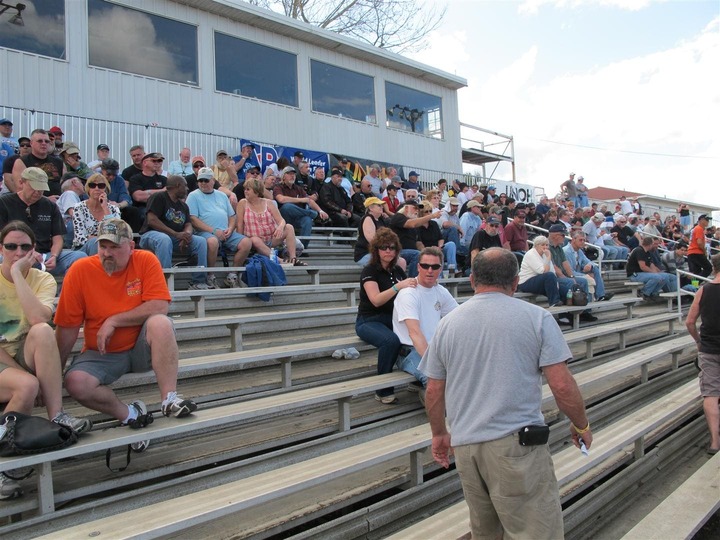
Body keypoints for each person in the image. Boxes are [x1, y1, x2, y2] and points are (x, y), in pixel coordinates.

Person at [420, 247, 593, 539]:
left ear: (472, 279)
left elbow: (434, 389)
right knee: (535, 532)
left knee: (486, 533)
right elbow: (562, 385)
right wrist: (581, 424)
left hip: (467, 447)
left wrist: (439, 434)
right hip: (516, 446)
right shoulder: (536, 318)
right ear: (515, 282)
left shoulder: (447, 324)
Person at [55, 219, 198, 453]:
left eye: (114, 247)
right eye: (103, 247)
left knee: (161, 323)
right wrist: (54, 372)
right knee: (76, 383)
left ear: (131, 247)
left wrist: (114, 320)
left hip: (141, 347)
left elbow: (160, 306)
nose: (107, 253)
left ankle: (169, 399)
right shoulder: (80, 271)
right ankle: (131, 414)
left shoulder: (145, 260)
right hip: (102, 352)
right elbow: (67, 328)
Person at [0, 221, 93, 498]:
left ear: (34, 250)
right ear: (1, 248)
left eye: (25, 247)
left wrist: (18, 275)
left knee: (42, 330)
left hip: (26, 351)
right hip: (4, 358)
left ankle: (57, 415)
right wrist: (29, 378)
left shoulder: (43, 279)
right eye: (11, 247)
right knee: (26, 386)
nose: (18, 252)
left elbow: (39, 319)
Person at [355, 229, 416, 405]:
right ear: (376, 250)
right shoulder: (370, 270)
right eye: (383, 247)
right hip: (368, 320)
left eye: (392, 247)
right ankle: (383, 390)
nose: (388, 251)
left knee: (416, 332)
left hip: (391, 318)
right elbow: (376, 300)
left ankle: (415, 378)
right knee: (391, 341)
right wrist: (398, 287)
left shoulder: (397, 270)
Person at [392, 247, 458, 401]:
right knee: (436, 379)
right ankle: (435, 408)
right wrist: (433, 361)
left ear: (441, 269)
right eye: (425, 266)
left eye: (435, 267)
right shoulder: (408, 293)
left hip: (434, 348)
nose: (430, 270)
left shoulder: (440, 290)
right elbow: (414, 333)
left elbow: (459, 318)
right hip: (410, 351)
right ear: (418, 267)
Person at [0, 167, 86, 276]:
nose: (38, 192)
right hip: (14, 253)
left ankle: (66, 291)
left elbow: (57, 237)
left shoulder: (50, 206)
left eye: (41, 189)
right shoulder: (4, 202)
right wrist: (26, 252)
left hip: (45, 256)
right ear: (22, 183)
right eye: (34, 188)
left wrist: (54, 256)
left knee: (79, 257)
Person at [138, 175, 211, 289]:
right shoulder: (159, 197)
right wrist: (176, 234)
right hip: (150, 235)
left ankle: (199, 282)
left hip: (174, 237)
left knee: (201, 241)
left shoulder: (183, 206)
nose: (187, 189)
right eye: (185, 186)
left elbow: (188, 224)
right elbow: (152, 220)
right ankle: (163, 282)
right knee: (164, 239)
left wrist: (186, 235)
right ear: (178, 186)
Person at [186, 167, 252, 289]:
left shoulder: (222, 195)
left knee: (247, 242)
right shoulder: (193, 195)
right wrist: (214, 231)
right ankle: (210, 276)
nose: (203, 183)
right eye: (200, 181)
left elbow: (232, 216)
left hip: (226, 232)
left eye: (206, 180)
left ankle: (232, 275)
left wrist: (231, 229)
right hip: (204, 232)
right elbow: (193, 219)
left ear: (213, 180)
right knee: (212, 241)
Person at [686, 253, 720, 454]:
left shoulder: (703, 290)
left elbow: (690, 322)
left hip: (709, 348)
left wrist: (698, 341)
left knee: (711, 393)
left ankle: (715, 442)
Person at [237, 176, 303, 265]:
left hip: (271, 238)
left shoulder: (268, 202)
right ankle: (279, 260)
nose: (245, 191)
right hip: (254, 241)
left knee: (289, 227)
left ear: (256, 191)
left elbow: (281, 220)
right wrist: (240, 242)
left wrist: (280, 227)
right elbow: (240, 224)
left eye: (248, 189)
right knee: (255, 240)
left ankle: (293, 258)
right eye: (245, 189)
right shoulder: (242, 203)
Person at [273, 166, 328, 248]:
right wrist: (300, 200)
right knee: (287, 206)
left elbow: (309, 200)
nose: (292, 176)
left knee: (307, 220)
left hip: (297, 217)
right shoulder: (278, 187)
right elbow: (281, 199)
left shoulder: (298, 188)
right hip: (283, 218)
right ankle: (312, 214)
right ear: (283, 176)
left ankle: (302, 247)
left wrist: (320, 211)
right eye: (289, 174)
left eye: (294, 174)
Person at [71, 173, 122, 255]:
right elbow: (80, 237)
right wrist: (101, 239)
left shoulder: (113, 209)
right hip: (82, 248)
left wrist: (105, 208)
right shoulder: (79, 207)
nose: (97, 188)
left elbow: (115, 234)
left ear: (106, 189)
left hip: (108, 247)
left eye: (101, 186)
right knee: (94, 243)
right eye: (92, 185)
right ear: (88, 189)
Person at [389, 201, 441, 278]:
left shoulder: (415, 224)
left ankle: (436, 281)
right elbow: (411, 224)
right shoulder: (398, 217)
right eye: (415, 208)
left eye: (418, 209)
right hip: (399, 251)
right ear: (406, 208)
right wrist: (432, 216)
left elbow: (418, 242)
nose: (417, 210)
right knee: (416, 254)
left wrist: (427, 251)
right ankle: (413, 281)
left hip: (412, 252)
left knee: (434, 255)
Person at [11, 129, 65, 201]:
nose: (44, 143)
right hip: (34, 202)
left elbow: (65, 186)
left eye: (47, 141)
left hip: (59, 202)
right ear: (31, 143)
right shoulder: (21, 162)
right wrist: (46, 200)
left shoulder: (59, 162)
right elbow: (20, 189)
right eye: (40, 141)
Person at [564, 230, 614, 302]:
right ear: (573, 239)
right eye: (580, 240)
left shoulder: (579, 251)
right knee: (586, 279)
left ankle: (600, 295)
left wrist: (590, 265)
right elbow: (569, 272)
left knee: (595, 269)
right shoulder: (566, 251)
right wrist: (586, 275)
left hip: (578, 272)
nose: (583, 242)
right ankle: (590, 303)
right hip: (569, 275)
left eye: (584, 240)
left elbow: (589, 262)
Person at [517, 235, 564, 307]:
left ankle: (566, 313)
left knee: (564, 289)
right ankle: (554, 302)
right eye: (542, 245)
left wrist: (556, 285)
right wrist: (548, 258)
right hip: (526, 282)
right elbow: (543, 271)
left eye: (547, 245)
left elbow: (552, 271)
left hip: (539, 280)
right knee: (549, 276)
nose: (545, 247)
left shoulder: (545, 254)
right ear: (536, 246)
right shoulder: (531, 254)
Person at [100, 158, 143, 233]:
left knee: (134, 211)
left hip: (116, 209)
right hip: (99, 208)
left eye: (114, 175)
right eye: (108, 174)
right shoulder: (95, 180)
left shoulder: (119, 180)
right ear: (102, 170)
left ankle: (133, 239)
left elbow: (126, 198)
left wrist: (119, 205)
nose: (111, 177)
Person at [354, 197, 388, 266]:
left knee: (400, 261)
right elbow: (372, 240)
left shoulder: (381, 220)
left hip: (379, 252)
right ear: (371, 208)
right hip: (365, 253)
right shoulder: (368, 218)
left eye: (381, 205)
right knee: (386, 260)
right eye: (379, 205)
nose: (381, 207)